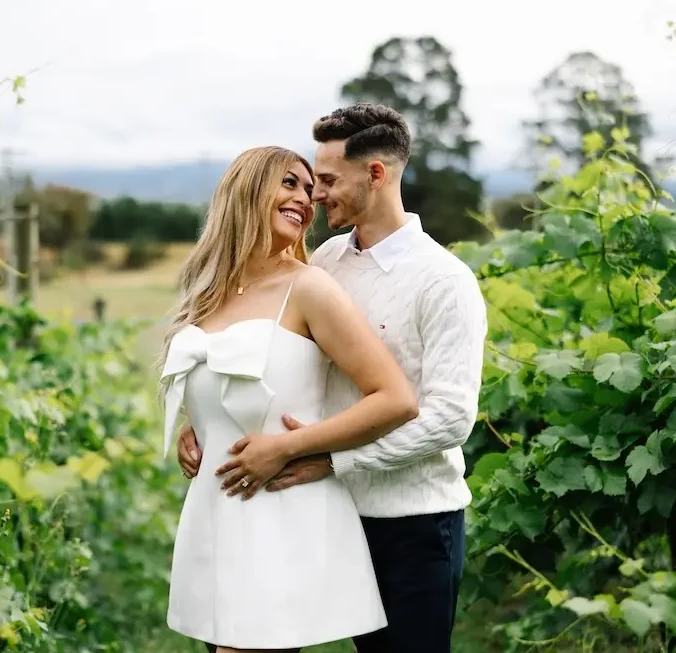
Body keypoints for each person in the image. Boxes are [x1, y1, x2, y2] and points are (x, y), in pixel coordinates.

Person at [176, 104, 488, 653]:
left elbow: (449, 419)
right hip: (318, 505)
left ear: (375, 174)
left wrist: (329, 460)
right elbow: (280, 362)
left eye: (325, 180)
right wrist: (208, 418)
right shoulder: (325, 261)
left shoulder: (444, 280)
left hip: (407, 521)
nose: (315, 195)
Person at [159, 144, 420, 653]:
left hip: (280, 511)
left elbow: (394, 398)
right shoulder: (207, 293)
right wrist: (199, 427)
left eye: (309, 188)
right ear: (246, 189)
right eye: (289, 183)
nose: (305, 197)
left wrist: (290, 449)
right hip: (219, 510)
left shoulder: (309, 288)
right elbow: (225, 386)